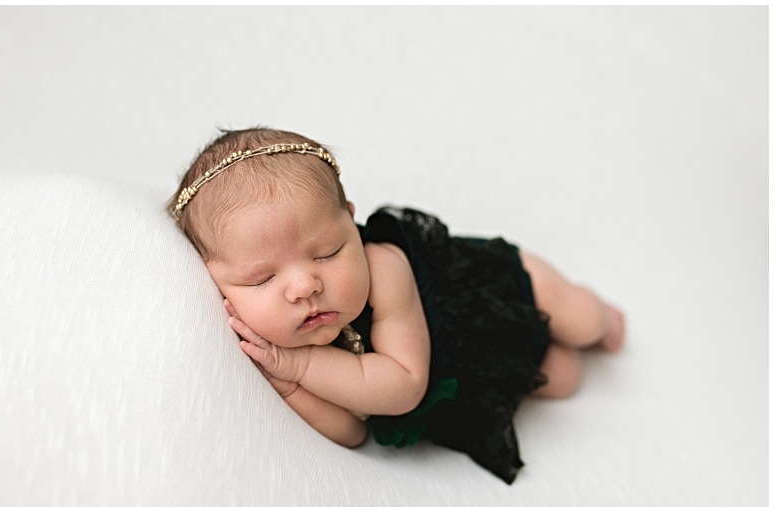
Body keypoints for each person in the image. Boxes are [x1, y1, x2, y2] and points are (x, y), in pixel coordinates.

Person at [168, 127, 625, 484]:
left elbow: (404, 384)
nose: (305, 286)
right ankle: (544, 347)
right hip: (468, 361)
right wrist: (288, 386)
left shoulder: (383, 267)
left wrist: (298, 366)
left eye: (327, 251)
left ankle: (599, 311)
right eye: (262, 278)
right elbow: (353, 432)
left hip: (495, 290)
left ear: (350, 218)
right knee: (565, 379)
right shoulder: (271, 343)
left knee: (580, 320)